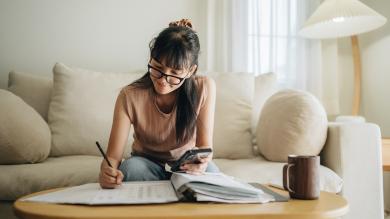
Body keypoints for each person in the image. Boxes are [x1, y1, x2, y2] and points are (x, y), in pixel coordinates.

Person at [99, 19, 219, 189]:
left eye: (175, 73)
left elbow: (205, 147)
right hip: (146, 165)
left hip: (186, 166)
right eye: (157, 68)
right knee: (130, 169)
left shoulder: (204, 87)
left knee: (213, 175)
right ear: (150, 58)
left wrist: (201, 164)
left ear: (191, 71)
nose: (163, 80)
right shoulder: (129, 95)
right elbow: (112, 157)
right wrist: (106, 171)